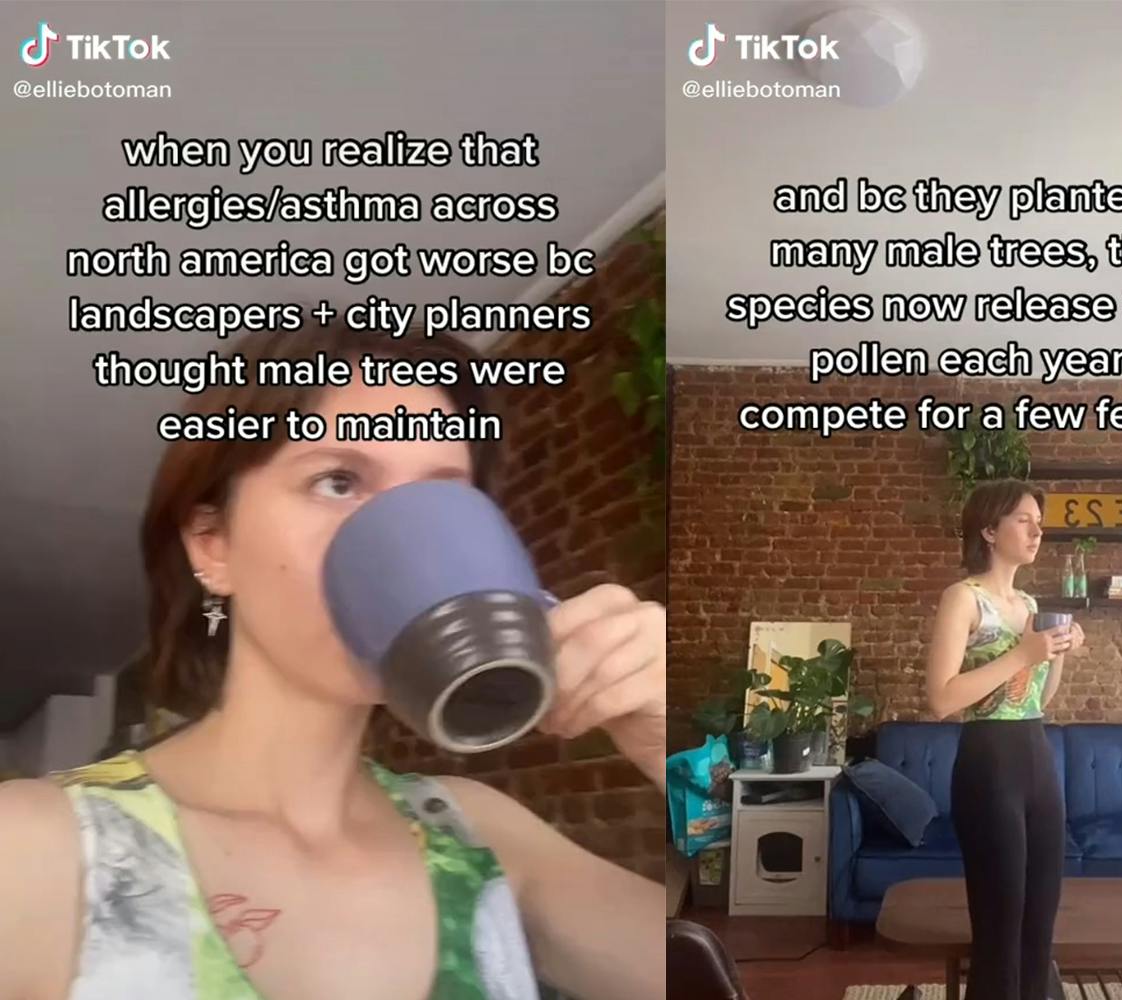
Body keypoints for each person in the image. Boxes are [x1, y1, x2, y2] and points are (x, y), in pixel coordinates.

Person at [0, 327, 667, 1000]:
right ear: (213, 545)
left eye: (445, 497)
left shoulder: (477, 835)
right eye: (338, 481)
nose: (411, 545)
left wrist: (682, 749)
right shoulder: (38, 849)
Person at [922, 480, 1086, 1000]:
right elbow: (942, 699)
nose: (1037, 529)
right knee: (999, 919)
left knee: (1040, 918)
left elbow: (1041, 698)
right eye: (1023, 519)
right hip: (988, 762)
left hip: (1037, 755)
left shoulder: (1029, 603)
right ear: (989, 530)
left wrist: (1055, 651)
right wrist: (1021, 653)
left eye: (1039, 520)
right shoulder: (962, 598)